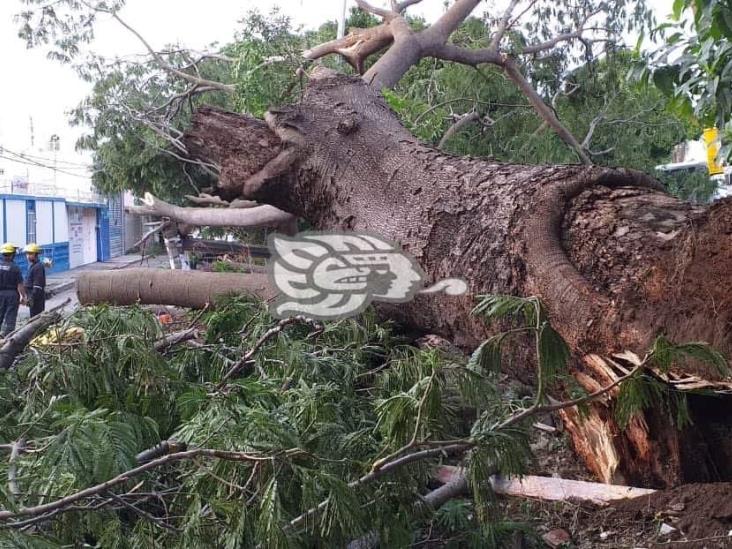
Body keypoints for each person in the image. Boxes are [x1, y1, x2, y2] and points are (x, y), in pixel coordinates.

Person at [0, 243, 27, 337]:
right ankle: (8, 337)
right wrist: (24, 296)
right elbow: (20, 284)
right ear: (12, 254)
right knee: (10, 317)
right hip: (12, 295)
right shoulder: (15, 267)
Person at [23, 243, 46, 317]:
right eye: (27, 254)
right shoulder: (33, 266)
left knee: (36, 318)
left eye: (30, 254)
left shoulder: (38, 267)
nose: (28, 256)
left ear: (36, 254)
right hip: (32, 296)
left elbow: (37, 286)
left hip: (36, 298)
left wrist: (32, 298)